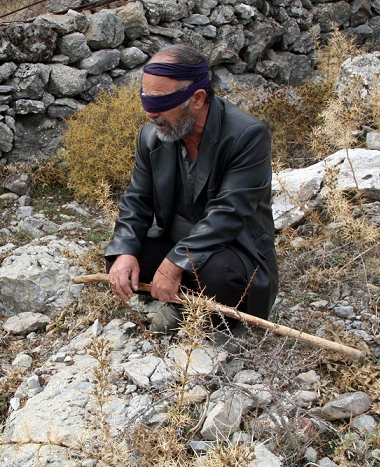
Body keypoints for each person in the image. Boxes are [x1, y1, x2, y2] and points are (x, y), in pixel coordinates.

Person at [105, 44, 278, 337]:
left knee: (218, 275)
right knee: (126, 258)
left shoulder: (247, 136)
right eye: (145, 99)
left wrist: (175, 263)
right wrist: (123, 251)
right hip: (177, 239)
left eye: (162, 102)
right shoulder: (153, 136)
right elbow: (137, 201)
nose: (150, 113)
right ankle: (181, 301)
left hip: (233, 249)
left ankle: (207, 318)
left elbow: (228, 214)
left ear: (197, 99)